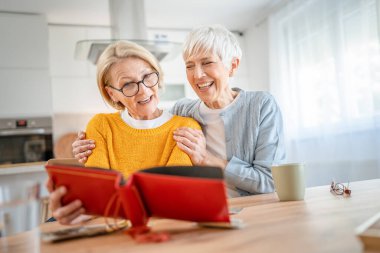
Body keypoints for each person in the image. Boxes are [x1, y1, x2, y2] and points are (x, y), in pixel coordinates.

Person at [72, 24, 286, 198]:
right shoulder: (183, 111)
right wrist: (83, 147)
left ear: (233, 65)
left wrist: (206, 159)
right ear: (112, 93)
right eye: (190, 66)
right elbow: (151, 126)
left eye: (207, 62)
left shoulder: (260, 105)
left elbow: (270, 182)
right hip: (200, 211)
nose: (198, 74)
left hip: (253, 210)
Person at [48, 40, 200, 225]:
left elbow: (168, 193)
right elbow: (100, 194)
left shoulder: (186, 127)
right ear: (112, 93)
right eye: (128, 84)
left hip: (162, 226)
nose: (143, 90)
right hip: (113, 227)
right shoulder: (101, 125)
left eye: (148, 76)